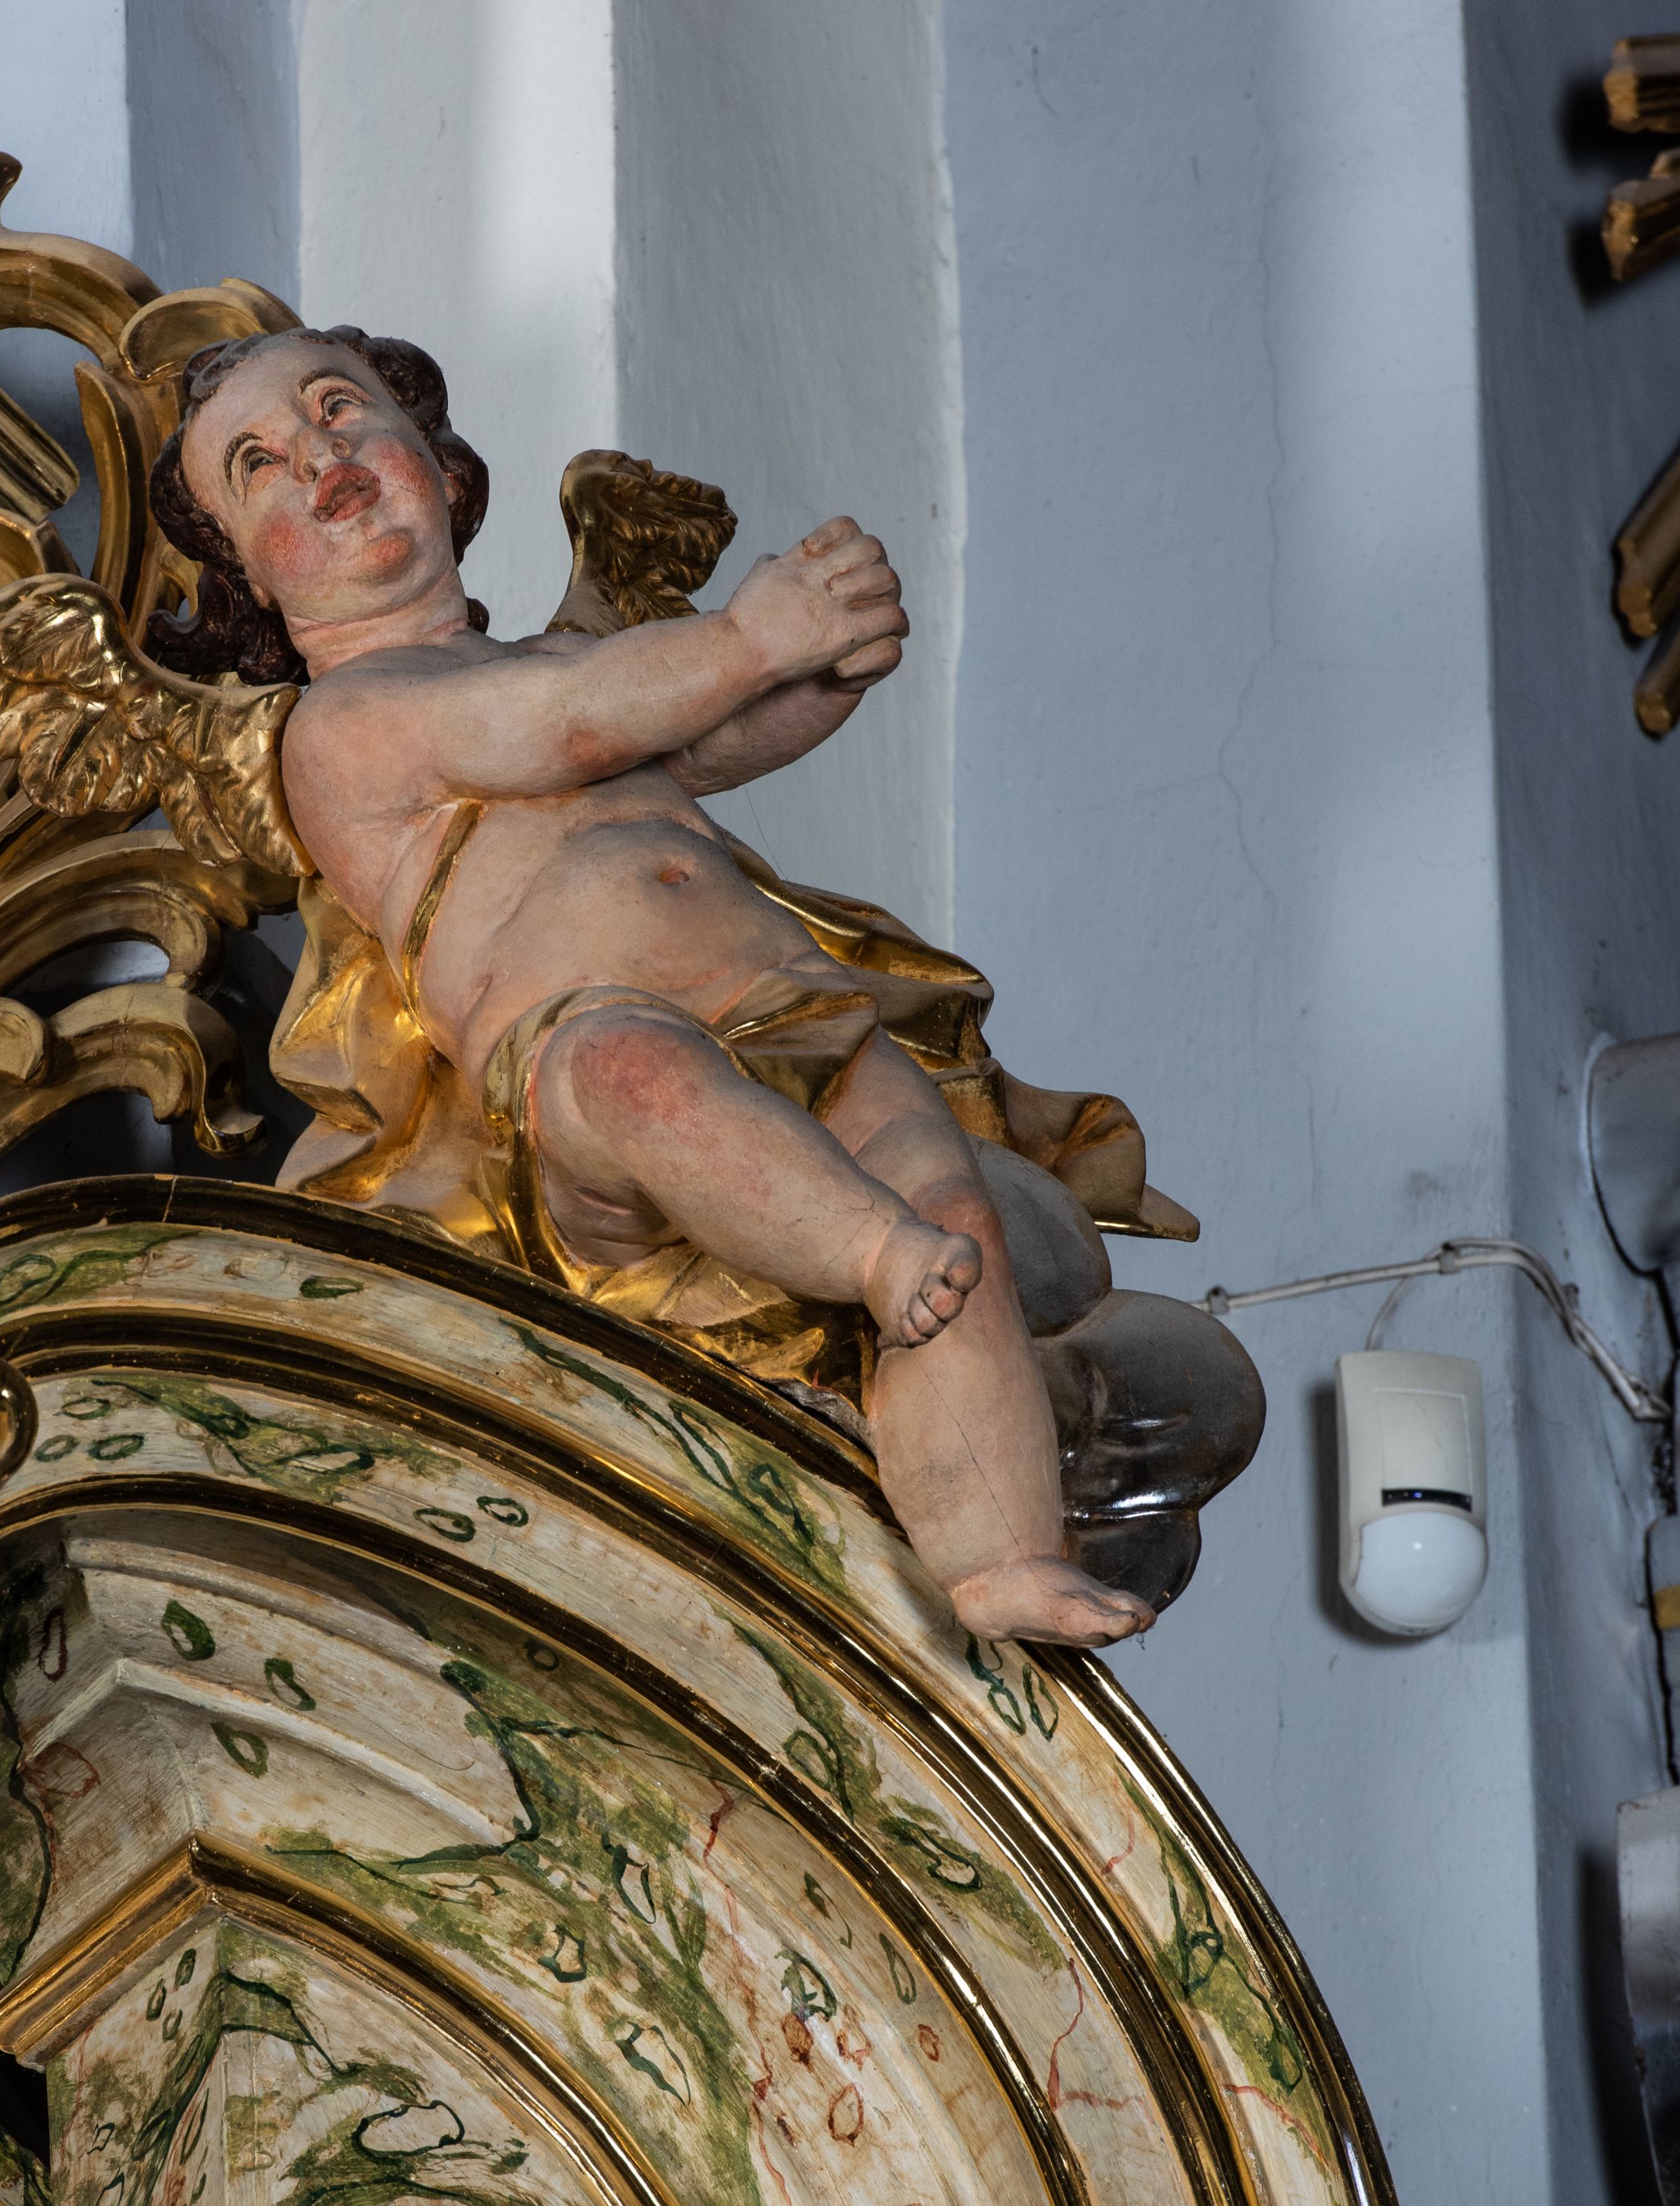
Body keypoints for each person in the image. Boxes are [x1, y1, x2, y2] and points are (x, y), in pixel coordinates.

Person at [146, 327, 1152, 1649]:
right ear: (246, 578)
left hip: (785, 1002)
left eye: (341, 409)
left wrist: (826, 670)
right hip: (576, 1050)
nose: (319, 452)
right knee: (648, 1085)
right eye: (260, 464)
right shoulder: (343, 724)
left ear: (441, 465)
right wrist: (748, 635)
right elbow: (562, 728)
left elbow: (697, 743)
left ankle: (999, 1554)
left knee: (958, 1211)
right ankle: (867, 1253)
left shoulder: (558, 661)